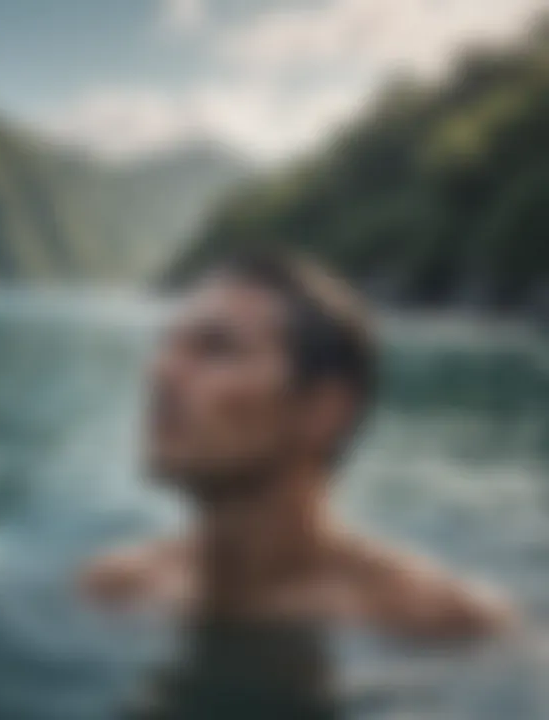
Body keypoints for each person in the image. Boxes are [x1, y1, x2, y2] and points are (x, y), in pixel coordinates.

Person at [81, 252, 514, 637]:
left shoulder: (446, 622)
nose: (161, 373)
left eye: (216, 348)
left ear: (324, 409)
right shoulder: (118, 588)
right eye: (168, 346)